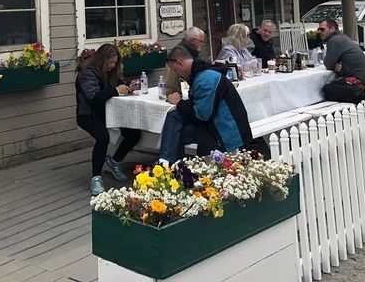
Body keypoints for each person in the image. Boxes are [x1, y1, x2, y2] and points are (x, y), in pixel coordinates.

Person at [157, 47, 260, 166]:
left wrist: (179, 102)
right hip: (215, 125)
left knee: (175, 133)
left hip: (226, 133)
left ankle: (166, 165)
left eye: (175, 69)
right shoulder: (202, 73)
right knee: (174, 117)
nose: (176, 73)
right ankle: (169, 164)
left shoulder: (206, 79)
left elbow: (201, 116)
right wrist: (181, 104)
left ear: (180, 63)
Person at [75, 43, 142, 195]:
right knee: (102, 136)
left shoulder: (111, 71)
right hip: (88, 115)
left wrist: (128, 86)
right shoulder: (87, 72)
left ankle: (114, 161)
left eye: (114, 63)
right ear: (102, 60)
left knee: (134, 133)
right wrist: (116, 90)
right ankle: (96, 178)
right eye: (110, 63)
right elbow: (93, 97)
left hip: (109, 112)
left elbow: (117, 85)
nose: (112, 66)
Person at [319, 17, 365, 92]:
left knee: (325, 89)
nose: (320, 32)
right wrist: (336, 66)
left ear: (332, 29)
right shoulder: (342, 37)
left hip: (360, 87)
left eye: (322, 29)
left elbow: (328, 64)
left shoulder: (334, 41)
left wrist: (336, 66)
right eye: (318, 29)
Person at [162, 27, 208, 96]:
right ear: (193, 41)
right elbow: (171, 87)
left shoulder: (193, 51)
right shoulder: (175, 58)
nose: (203, 44)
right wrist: (175, 97)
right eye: (201, 41)